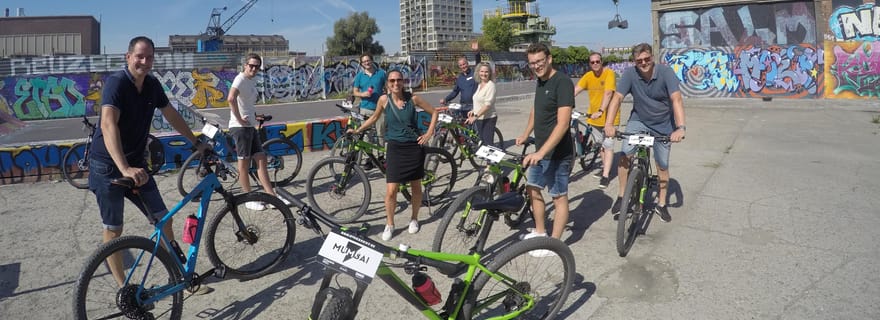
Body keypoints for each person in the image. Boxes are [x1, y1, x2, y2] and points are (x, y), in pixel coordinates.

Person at [88, 36, 210, 294]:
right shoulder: (116, 84)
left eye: (149, 57)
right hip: (108, 166)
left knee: (163, 220)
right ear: (128, 57)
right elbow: (108, 125)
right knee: (114, 229)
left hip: (136, 164)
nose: (144, 61)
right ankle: (125, 290)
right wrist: (124, 168)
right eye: (139, 56)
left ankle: (180, 276)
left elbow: (172, 114)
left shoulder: (152, 85)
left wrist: (195, 142)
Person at [351, 70, 438, 241]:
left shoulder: (413, 99)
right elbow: (374, 118)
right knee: (391, 191)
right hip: (395, 148)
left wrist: (428, 134)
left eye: (399, 80)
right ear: (387, 83)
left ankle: (414, 218)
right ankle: (390, 224)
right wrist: (358, 129)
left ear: (403, 82)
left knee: (415, 186)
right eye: (392, 80)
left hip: (414, 147)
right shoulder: (384, 100)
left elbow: (434, 112)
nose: (396, 83)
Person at [604, 43, 686, 223]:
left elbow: (676, 99)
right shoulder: (630, 74)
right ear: (634, 62)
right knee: (625, 155)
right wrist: (609, 124)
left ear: (652, 57)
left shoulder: (665, 73)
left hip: (663, 124)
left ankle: (662, 204)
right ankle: (621, 196)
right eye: (639, 61)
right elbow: (617, 98)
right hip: (638, 120)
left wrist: (680, 128)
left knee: (662, 165)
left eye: (647, 59)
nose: (643, 63)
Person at [515, 43, 574, 253]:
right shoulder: (540, 82)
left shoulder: (562, 82)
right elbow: (536, 111)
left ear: (549, 59)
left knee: (558, 197)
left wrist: (541, 152)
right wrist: (525, 133)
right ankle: (540, 233)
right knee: (533, 189)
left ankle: (554, 245)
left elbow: (563, 123)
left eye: (540, 61)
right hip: (539, 151)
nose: (537, 66)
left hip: (558, 153)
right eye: (532, 63)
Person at [227, 53, 287, 210]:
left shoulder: (250, 81)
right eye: (251, 65)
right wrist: (239, 119)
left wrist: (254, 116)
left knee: (261, 160)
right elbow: (231, 98)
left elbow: (245, 104)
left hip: (250, 127)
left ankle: (271, 197)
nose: (254, 68)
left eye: (257, 66)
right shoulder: (240, 79)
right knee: (244, 164)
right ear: (245, 65)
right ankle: (248, 199)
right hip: (240, 128)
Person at [573, 53, 620, 189]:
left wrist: (601, 110)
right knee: (600, 145)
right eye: (592, 62)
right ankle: (605, 168)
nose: (595, 64)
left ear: (601, 61)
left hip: (610, 117)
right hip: (594, 118)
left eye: (597, 61)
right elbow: (576, 90)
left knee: (608, 145)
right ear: (589, 63)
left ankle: (605, 175)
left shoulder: (609, 74)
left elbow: (608, 93)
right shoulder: (588, 76)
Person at [352, 54, 387, 143]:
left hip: (380, 109)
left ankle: (380, 156)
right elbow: (355, 92)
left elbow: (388, 88)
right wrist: (363, 94)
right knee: (367, 135)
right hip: (365, 109)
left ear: (372, 60)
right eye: (364, 61)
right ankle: (368, 155)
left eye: (368, 60)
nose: (367, 63)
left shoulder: (381, 73)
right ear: (362, 64)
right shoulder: (359, 76)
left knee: (381, 134)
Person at [467, 61, 498, 147]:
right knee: (483, 143)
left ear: (490, 73)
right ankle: (487, 159)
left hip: (488, 118)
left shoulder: (491, 85)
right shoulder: (480, 84)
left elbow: (487, 105)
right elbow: (479, 101)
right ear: (478, 72)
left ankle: (492, 160)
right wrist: (473, 110)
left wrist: (475, 116)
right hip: (479, 118)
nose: (484, 74)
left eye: (486, 72)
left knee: (488, 144)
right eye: (482, 71)